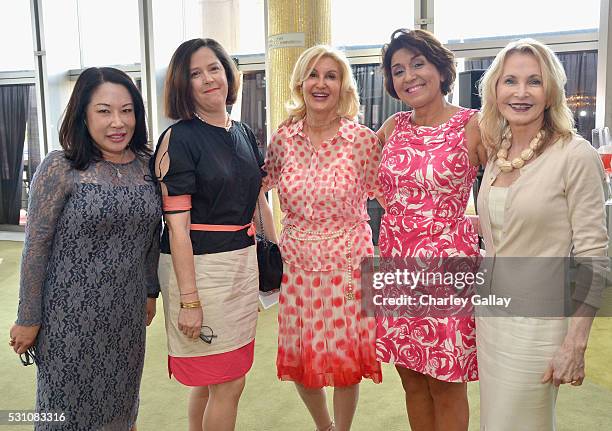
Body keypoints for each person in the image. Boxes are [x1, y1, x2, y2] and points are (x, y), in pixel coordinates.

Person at [9, 67, 161, 430]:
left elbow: (153, 238)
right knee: (63, 415)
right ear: (84, 115)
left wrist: (150, 292)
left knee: (121, 408)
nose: (117, 122)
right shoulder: (60, 167)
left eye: (127, 110)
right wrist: (28, 318)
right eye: (104, 111)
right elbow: (36, 249)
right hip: (68, 321)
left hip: (125, 317)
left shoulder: (148, 166)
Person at [475, 38, 608, 430]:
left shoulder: (575, 154)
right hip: (492, 314)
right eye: (509, 81)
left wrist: (576, 343)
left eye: (533, 81)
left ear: (550, 91)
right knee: (495, 419)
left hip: (538, 322)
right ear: (495, 90)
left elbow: (594, 256)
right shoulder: (498, 151)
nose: (520, 92)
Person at [152, 38, 275, 431]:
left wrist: (273, 260)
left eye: (214, 68)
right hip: (200, 271)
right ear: (182, 86)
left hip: (240, 263)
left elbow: (259, 200)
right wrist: (189, 301)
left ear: (228, 73)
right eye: (195, 73)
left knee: (214, 380)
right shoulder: (180, 138)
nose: (207, 79)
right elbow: (177, 229)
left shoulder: (243, 132)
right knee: (229, 381)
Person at [263, 45, 382, 431]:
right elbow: (255, 188)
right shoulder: (283, 139)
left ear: (343, 86)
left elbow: (392, 195)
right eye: (313, 74)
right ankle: (324, 426)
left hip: (349, 265)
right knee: (302, 360)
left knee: (345, 362)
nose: (321, 83)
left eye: (331, 76)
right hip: (297, 266)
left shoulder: (361, 140)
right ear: (300, 82)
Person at [374, 29, 486, 431]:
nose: (409, 76)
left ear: (440, 69)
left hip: (446, 270)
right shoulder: (392, 127)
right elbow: (365, 180)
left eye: (418, 64)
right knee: (411, 380)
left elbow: (508, 182)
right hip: (396, 264)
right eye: (398, 70)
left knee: (446, 381)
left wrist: (464, 222)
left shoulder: (472, 124)